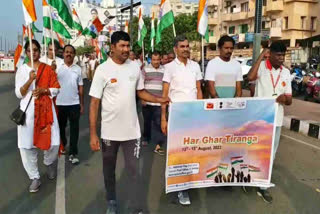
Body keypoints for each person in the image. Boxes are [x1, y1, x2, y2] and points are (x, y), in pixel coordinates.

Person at [89, 31, 169, 214]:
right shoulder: (102, 70)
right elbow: (94, 103)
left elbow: (140, 92)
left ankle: (136, 208)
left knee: (134, 171)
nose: (126, 49)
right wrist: (93, 133)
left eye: (128, 46)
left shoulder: (134, 67)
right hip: (109, 132)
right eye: (122, 46)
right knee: (109, 170)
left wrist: (159, 99)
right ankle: (111, 202)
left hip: (132, 132)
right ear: (113, 47)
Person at [247, 41, 292, 203]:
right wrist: (261, 54)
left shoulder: (286, 72)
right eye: (278, 55)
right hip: (259, 118)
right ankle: (248, 178)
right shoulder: (262, 67)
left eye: (283, 55)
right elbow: (250, 78)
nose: (281, 58)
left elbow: (290, 100)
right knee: (254, 151)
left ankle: (263, 185)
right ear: (270, 54)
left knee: (270, 155)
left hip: (276, 119)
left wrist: (283, 99)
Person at [161, 35, 203, 206]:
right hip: (177, 116)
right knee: (178, 152)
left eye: (187, 46)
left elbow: (199, 89)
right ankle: (180, 188)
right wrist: (163, 118)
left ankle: (190, 181)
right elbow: (164, 95)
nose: (186, 48)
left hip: (194, 115)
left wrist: (202, 112)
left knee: (192, 150)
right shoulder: (169, 68)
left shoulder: (195, 66)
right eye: (182, 46)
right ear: (175, 49)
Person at [15, 39, 60, 193]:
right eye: (29, 50)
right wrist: (30, 80)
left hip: (46, 111)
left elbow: (56, 89)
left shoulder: (48, 69)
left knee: (54, 142)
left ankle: (48, 162)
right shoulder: (21, 70)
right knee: (27, 147)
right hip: (28, 114)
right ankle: (34, 177)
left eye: (35, 49)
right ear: (26, 52)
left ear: (39, 51)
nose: (32, 52)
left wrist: (45, 91)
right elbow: (19, 93)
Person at [56, 45, 84, 164]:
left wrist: (82, 104)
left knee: (74, 130)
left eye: (71, 52)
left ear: (74, 54)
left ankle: (73, 153)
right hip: (59, 103)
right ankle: (63, 144)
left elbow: (81, 87)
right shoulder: (57, 68)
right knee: (60, 128)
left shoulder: (78, 69)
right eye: (67, 52)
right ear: (63, 54)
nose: (69, 54)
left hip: (74, 103)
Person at [141, 51, 166, 155]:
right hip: (147, 101)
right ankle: (146, 137)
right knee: (147, 121)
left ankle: (158, 143)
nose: (156, 62)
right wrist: (142, 99)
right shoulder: (145, 69)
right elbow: (140, 84)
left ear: (160, 59)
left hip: (159, 102)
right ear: (151, 59)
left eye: (158, 59)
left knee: (158, 122)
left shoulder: (164, 70)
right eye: (153, 59)